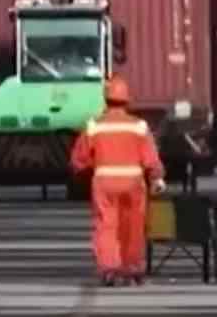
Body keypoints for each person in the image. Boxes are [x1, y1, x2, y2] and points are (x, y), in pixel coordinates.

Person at [69, 75, 164, 286]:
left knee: (106, 225)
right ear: (127, 100)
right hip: (133, 184)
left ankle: (109, 269)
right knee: (134, 226)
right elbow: (151, 158)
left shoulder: (94, 126)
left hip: (104, 183)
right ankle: (132, 268)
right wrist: (156, 177)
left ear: (105, 99)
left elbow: (78, 160)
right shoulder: (138, 126)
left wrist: (84, 171)